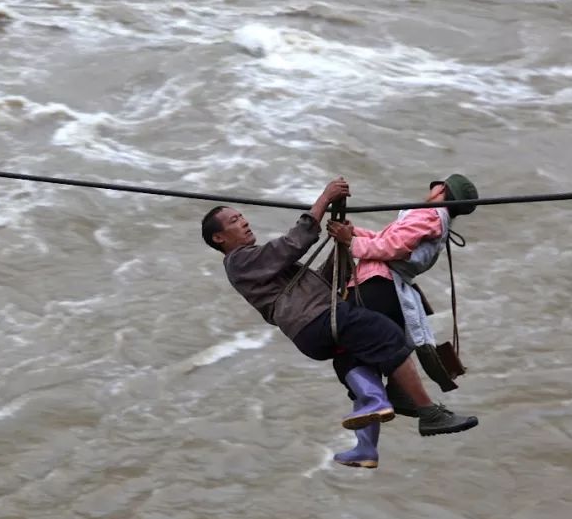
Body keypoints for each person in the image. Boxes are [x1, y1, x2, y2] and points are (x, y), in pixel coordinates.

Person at [201, 177, 477, 439]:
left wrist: (342, 244)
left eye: (241, 216)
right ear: (219, 238)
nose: (244, 222)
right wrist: (326, 198)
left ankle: (388, 401)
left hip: (313, 331)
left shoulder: (257, 265)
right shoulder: (240, 262)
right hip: (318, 321)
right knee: (388, 335)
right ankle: (429, 414)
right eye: (234, 221)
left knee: (354, 357)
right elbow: (293, 244)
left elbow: (321, 281)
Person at [324, 174, 479, 468]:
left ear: (441, 190)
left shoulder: (428, 213)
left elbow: (393, 248)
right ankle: (367, 447)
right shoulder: (437, 221)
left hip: (377, 287)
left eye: (435, 185)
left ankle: (426, 411)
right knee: (360, 364)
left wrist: (351, 242)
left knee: (351, 358)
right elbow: (387, 240)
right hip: (385, 289)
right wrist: (353, 233)